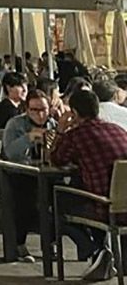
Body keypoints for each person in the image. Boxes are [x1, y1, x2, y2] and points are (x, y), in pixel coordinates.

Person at [52, 88, 127, 280]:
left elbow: (56, 159)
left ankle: (95, 250)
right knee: (87, 189)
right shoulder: (118, 130)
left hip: (104, 207)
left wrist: (60, 129)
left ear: (75, 113)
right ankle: (116, 259)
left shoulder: (76, 135)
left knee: (57, 204)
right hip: (124, 203)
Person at [0, 90, 56, 262]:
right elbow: (9, 152)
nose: (40, 114)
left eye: (43, 109)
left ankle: (50, 243)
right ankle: (19, 244)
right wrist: (28, 138)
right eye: (34, 110)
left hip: (44, 173)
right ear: (27, 109)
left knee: (56, 197)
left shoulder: (52, 124)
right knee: (26, 198)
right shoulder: (15, 124)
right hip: (15, 173)